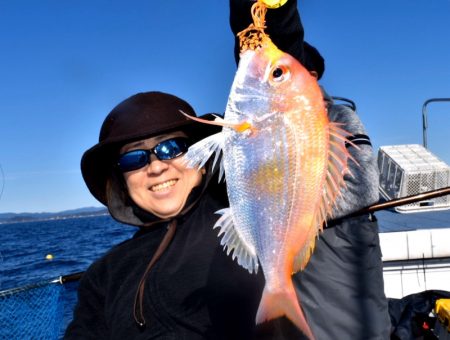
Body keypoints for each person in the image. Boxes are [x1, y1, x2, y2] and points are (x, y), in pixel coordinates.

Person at [230, 0, 392, 339]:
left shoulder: (340, 118)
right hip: (282, 265)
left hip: (337, 275)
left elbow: (362, 190)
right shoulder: (252, 122)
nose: (310, 80)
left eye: (309, 73)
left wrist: (289, 203)